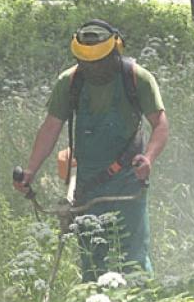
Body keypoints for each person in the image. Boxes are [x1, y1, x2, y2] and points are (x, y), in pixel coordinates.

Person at [14, 19, 169, 281]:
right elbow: (51, 126)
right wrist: (30, 170)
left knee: (132, 256)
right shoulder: (70, 82)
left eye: (99, 61)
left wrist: (149, 158)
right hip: (88, 183)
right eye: (86, 62)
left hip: (129, 180)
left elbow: (160, 125)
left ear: (115, 51)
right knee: (92, 256)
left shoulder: (137, 78)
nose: (93, 68)